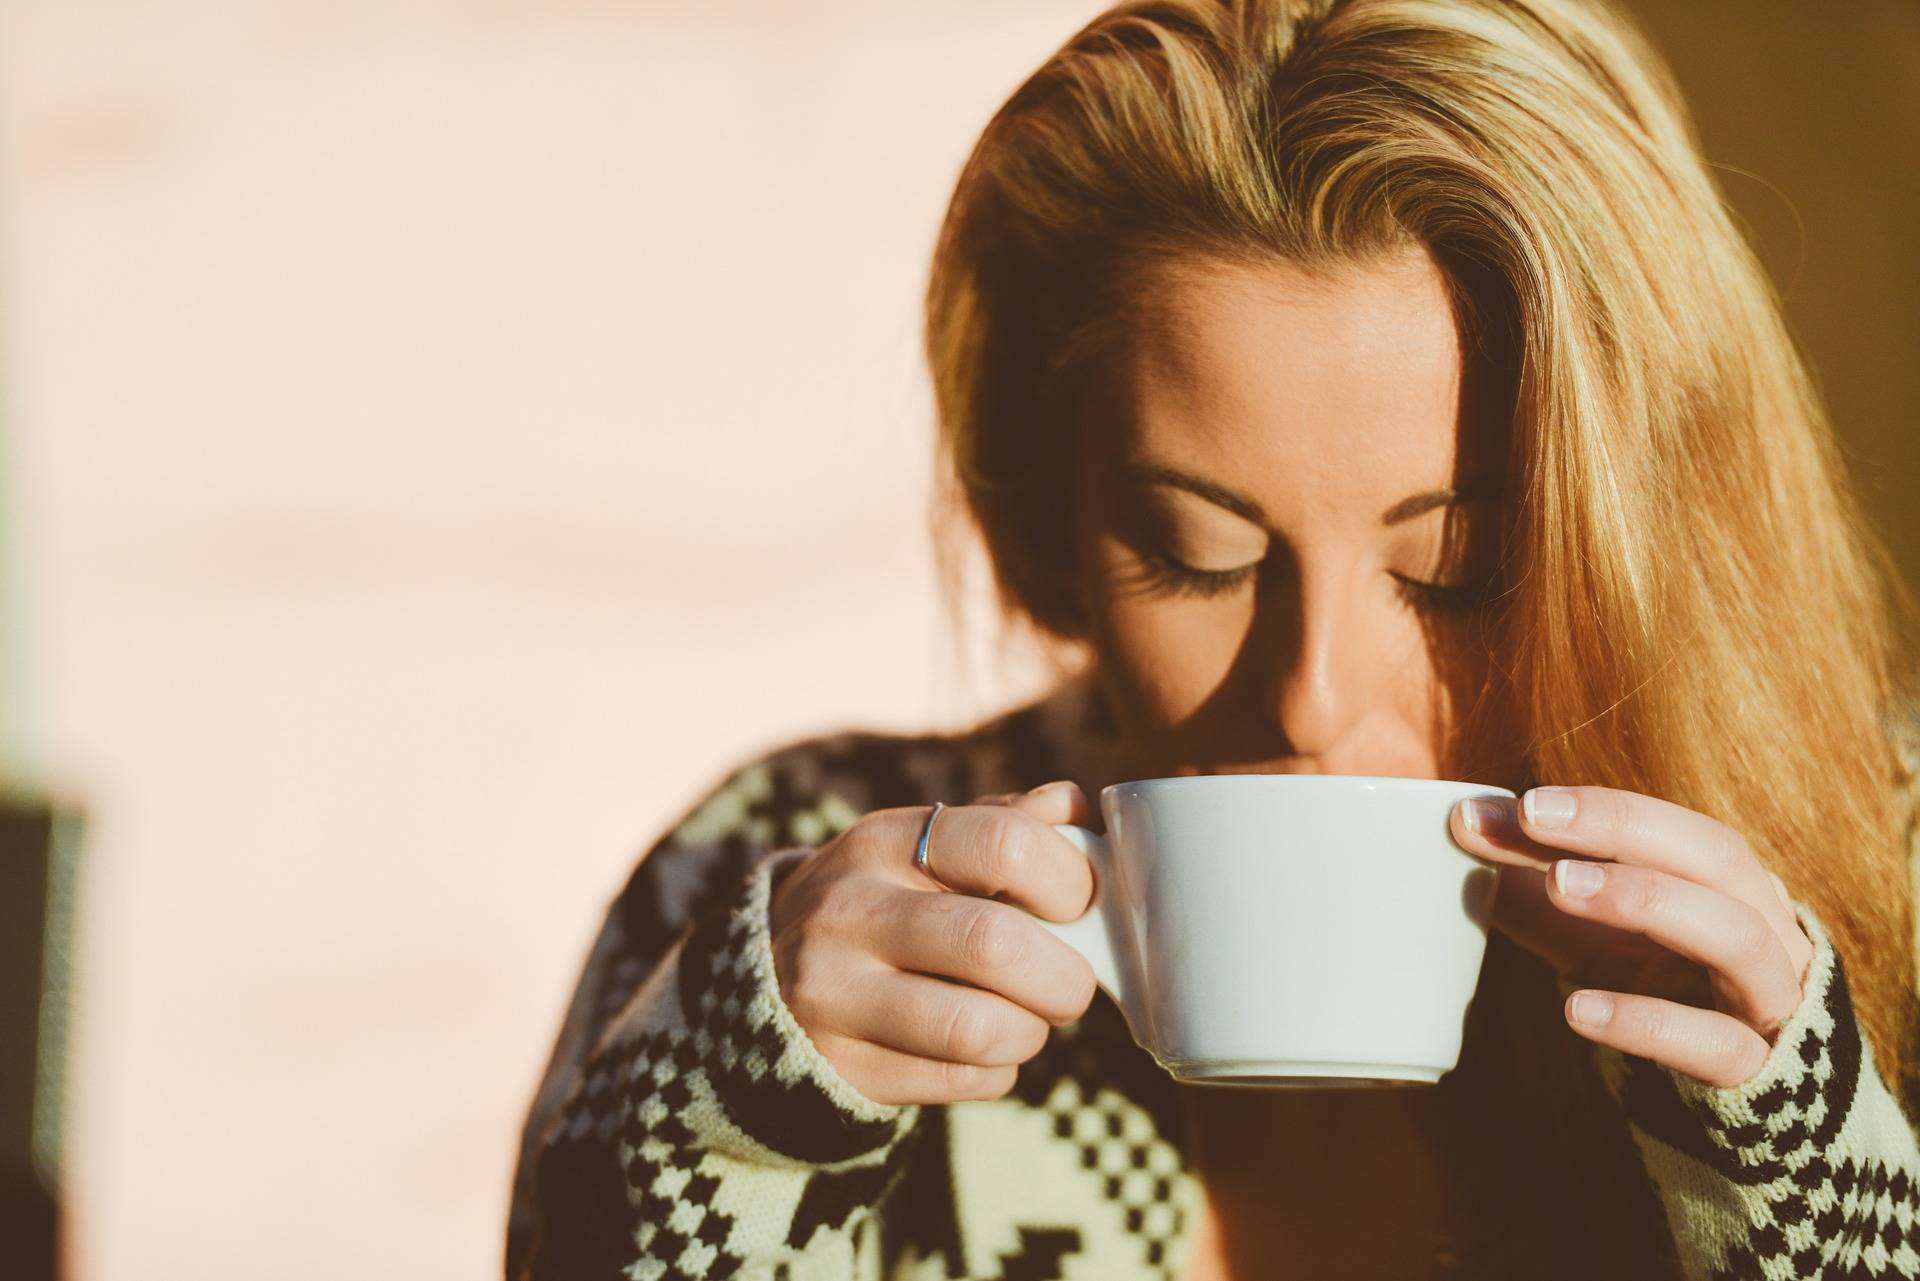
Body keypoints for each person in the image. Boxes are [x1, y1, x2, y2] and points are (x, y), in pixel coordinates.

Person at [505, 0, 1920, 1276]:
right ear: (1052, 513)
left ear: (1653, 539)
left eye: (1456, 571)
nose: (1307, 697)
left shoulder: (1885, 889)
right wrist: (719, 1149)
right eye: (1201, 555)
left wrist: (1812, 1185)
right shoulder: (782, 875)